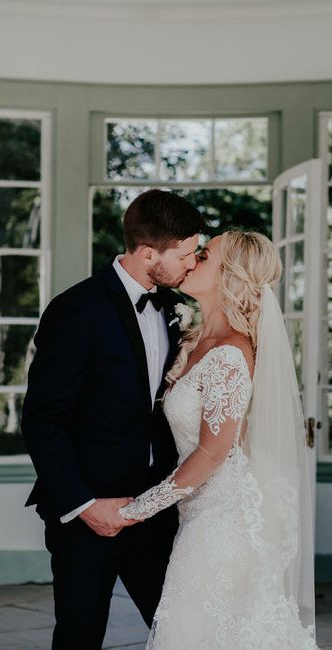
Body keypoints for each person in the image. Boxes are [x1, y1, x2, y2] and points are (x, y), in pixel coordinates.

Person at [21, 189, 206, 649]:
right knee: (79, 636)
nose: (193, 263)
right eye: (184, 254)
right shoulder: (75, 309)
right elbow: (43, 420)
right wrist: (86, 505)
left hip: (155, 510)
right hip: (86, 516)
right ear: (148, 253)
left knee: (180, 633)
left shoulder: (173, 308)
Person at [119, 230, 319, 649]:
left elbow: (212, 453)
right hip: (198, 514)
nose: (192, 260)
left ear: (231, 275)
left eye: (204, 255)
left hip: (223, 524)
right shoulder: (196, 341)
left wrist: (134, 511)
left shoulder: (229, 353)